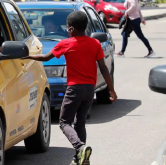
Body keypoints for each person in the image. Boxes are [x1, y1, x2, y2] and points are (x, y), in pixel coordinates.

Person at [23, 11, 117, 165]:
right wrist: (111, 89)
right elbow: (104, 69)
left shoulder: (66, 43)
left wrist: (27, 56)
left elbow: (45, 57)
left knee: (64, 122)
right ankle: (81, 158)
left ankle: (80, 148)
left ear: (71, 29)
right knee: (80, 123)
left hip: (74, 88)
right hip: (89, 89)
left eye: (67, 27)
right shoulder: (95, 44)